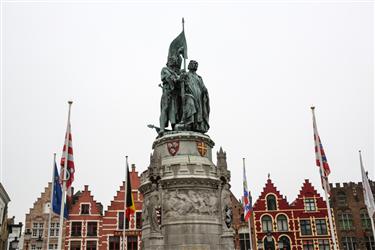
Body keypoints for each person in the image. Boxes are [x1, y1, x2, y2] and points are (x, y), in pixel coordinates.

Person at [179, 60, 210, 133]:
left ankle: (198, 126)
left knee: (199, 110)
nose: (194, 65)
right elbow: (179, 81)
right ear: (189, 66)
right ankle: (188, 122)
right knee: (190, 103)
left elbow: (203, 87)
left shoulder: (199, 77)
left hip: (199, 96)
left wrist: (205, 91)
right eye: (192, 64)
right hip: (189, 94)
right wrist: (181, 76)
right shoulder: (186, 74)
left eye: (196, 64)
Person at [159, 56, 182, 135]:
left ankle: (174, 127)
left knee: (174, 111)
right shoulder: (165, 69)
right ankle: (162, 128)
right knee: (165, 109)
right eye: (171, 60)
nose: (173, 62)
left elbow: (178, 81)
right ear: (168, 62)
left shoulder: (176, 73)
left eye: (174, 61)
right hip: (167, 92)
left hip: (174, 94)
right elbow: (169, 77)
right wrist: (176, 79)